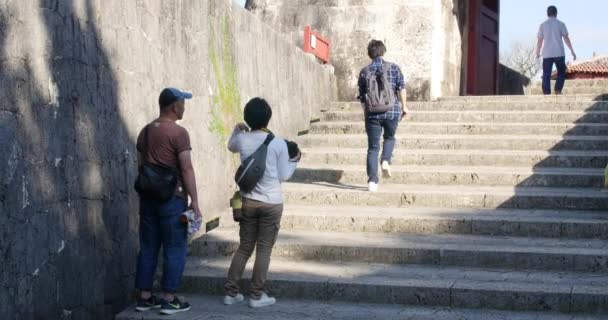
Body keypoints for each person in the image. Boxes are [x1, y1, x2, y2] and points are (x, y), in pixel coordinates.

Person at [223, 98, 301, 308]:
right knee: (264, 249)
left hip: (248, 201)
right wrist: (295, 160)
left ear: (247, 118)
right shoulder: (277, 143)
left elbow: (230, 145)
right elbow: (284, 175)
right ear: (269, 117)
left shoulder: (242, 140)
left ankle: (231, 293)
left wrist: (237, 130)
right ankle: (256, 296)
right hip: (272, 202)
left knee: (244, 247)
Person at [134, 87, 201, 315]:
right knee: (174, 247)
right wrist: (195, 202)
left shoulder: (144, 131)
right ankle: (169, 299)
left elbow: (140, 166)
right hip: (172, 199)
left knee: (148, 247)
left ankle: (144, 297)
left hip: (148, 199)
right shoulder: (178, 133)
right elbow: (187, 168)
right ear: (175, 106)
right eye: (183, 103)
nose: (184, 107)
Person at [358, 40, 408, 192]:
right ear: (383, 51)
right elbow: (401, 87)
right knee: (389, 138)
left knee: (373, 148)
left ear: (369, 53)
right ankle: (386, 160)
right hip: (392, 110)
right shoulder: (393, 68)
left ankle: (373, 182)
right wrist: (404, 107)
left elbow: (362, 97)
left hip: (372, 113)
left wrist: (367, 113)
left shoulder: (364, 71)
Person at [536, 5, 577, 95]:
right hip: (559, 53)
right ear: (556, 13)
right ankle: (558, 90)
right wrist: (572, 51)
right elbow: (566, 38)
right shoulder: (561, 24)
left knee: (546, 74)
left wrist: (537, 53)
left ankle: (546, 93)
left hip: (547, 53)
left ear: (547, 13)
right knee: (561, 72)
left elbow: (539, 40)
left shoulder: (542, 25)